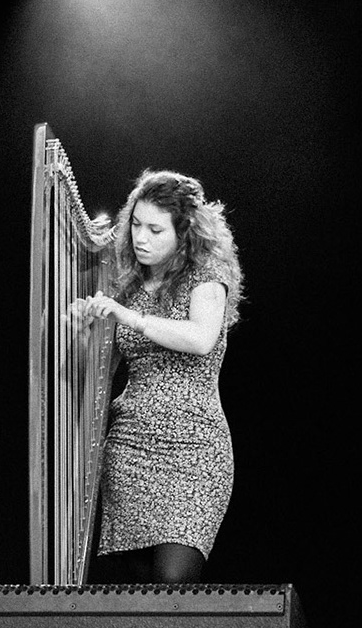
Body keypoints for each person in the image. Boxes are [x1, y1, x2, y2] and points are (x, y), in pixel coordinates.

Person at [73, 169, 242, 584]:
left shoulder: (206, 280)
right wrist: (77, 329)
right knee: (135, 599)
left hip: (193, 450)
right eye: (135, 224)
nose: (140, 238)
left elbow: (201, 338)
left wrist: (131, 317)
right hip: (130, 450)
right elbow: (98, 371)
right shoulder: (127, 288)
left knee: (172, 584)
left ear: (183, 234)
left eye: (154, 229)